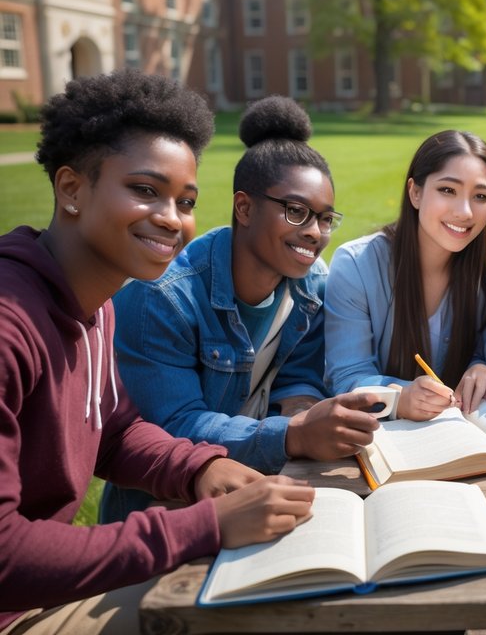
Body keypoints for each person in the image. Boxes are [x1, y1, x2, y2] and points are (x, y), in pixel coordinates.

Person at [0, 70, 314, 635]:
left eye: (185, 200)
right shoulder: (10, 325)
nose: (172, 218)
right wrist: (206, 525)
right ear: (71, 188)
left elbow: (116, 431)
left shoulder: (97, 304)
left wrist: (202, 469)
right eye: (145, 190)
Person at [100, 96, 378, 523]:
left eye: (325, 218)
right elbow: (174, 425)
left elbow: (298, 374)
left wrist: (303, 408)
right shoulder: (160, 296)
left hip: (266, 491)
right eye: (297, 212)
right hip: (166, 516)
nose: (315, 233)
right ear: (244, 207)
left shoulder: (312, 282)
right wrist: (295, 435)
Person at [325, 130, 486, 420]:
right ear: (416, 192)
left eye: (481, 196)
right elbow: (347, 377)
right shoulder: (356, 266)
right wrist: (401, 397)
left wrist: (480, 368)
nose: (464, 212)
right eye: (448, 190)